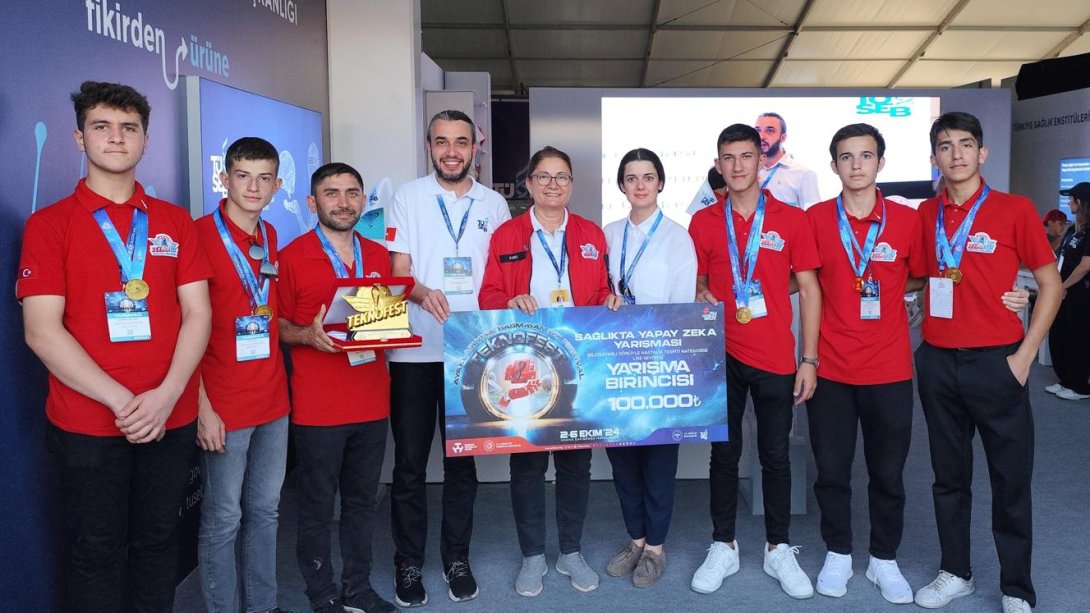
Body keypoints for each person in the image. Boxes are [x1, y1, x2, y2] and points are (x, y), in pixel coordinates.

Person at [17, 81, 212, 612]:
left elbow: (198, 313)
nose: (117, 138)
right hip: (89, 424)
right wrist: (125, 402)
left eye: (129, 128)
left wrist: (167, 395)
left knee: (156, 545)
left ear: (146, 140)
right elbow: (41, 330)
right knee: (96, 551)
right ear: (80, 138)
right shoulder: (49, 224)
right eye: (102, 126)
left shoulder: (174, 222)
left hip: (169, 418)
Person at [913, 111, 1061, 613]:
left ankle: (1016, 586)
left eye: (965, 144)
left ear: (983, 153)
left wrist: (1023, 357)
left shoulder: (1014, 209)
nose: (956, 154)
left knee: (1009, 479)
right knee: (948, 477)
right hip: (937, 362)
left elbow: (1051, 284)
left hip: (999, 364)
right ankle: (955, 572)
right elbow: (917, 276)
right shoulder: (924, 214)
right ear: (934, 156)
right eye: (945, 145)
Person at [688, 124, 821, 600]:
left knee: (776, 454)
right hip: (721, 354)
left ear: (762, 161)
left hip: (775, 357)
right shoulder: (704, 222)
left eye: (747, 156)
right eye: (729, 157)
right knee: (722, 456)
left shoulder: (791, 218)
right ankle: (723, 544)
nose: (739, 166)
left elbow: (808, 288)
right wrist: (702, 290)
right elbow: (697, 284)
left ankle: (778, 546)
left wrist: (809, 358)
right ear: (718, 164)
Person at [478, 145, 619, 597]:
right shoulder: (507, 235)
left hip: (578, 364)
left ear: (572, 184)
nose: (553, 184)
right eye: (544, 176)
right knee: (528, 466)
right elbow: (488, 294)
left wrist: (610, 302)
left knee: (577, 465)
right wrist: (508, 301)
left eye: (561, 177)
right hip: (527, 369)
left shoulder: (591, 234)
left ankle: (571, 552)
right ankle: (533, 556)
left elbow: (601, 291)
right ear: (529, 183)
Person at [386, 109, 511, 606]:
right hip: (414, 351)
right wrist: (419, 292)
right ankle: (408, 562)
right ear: (428, 146)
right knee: (410, 465)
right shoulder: (408, 197)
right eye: (442, 142)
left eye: (461, 141)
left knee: (462, 466)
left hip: (472, 356)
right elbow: (398, 271)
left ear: (475, 146)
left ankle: (456, 556)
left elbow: (503, 276)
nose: (451, 151)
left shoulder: (495, 204)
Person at [277, 163, 396, 613]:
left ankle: (358, 588)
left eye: (351, 193)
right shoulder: (291, 257)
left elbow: (385, 321)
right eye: (332, 193)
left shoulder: (379, 254)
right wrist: (306, 336)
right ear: (313, 203)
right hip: (317, 408)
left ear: (363, 201)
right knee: (317, 509)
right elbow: (278, 327)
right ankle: (322, 594)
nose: (343, 202)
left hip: (371, 401)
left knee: (362, 504)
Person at [194, 137, 291, 613]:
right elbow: (180, 332)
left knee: (266, 511)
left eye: (264, 177)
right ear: (224, 178)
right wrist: (201, 407)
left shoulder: (271, 236)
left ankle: (264, 605)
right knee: (222, 519)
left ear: (276, 184)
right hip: (223, 404)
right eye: (243, 175)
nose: (254, 186)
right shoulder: (195, 237)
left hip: (273, 399)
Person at [601, 148, 697, 588]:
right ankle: (635, 538)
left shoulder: (678, 237)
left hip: (660, 362)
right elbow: (599, 293)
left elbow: (684, 307)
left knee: (658, 458)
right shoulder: (607, 235)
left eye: (648, 177)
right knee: (622, 459)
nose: (640, 185)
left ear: (660, 183)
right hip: (615, 363)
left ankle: (656, 547)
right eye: (631, 178)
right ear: (621, 185)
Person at [1046, 182, 1090, 400]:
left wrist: (1063, 286)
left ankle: (1080, 386)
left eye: (1071, 199)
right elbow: (1058, 254)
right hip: (1063, 291)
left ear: (1079, 202)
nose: (1068, 203)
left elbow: (1085, 265)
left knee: (1077, 338)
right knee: (1058, 335)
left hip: (1081, 293)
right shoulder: (1073, 229)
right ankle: (1065, 380)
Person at [755, 112, 821, 208]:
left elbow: (814, 216)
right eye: (757, 130)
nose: (761, 136)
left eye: (769, 131)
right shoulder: (746, 171)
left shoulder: (803, 174)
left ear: (783, 137)